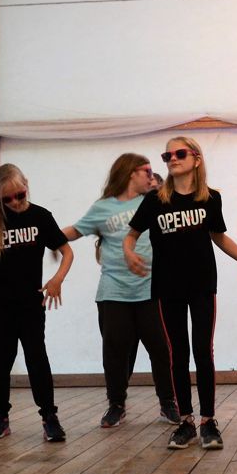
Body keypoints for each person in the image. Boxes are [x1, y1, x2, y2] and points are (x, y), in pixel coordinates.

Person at [126, 136, 237, 450]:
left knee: (203, 350)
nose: (172, 159)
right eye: (167, 155)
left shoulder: (210, 198)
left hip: (201, 285)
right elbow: (131, 235)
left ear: (196, 159)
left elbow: (218, 236)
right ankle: (185, 421)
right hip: (167, 287)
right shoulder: (155, 200)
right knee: (178, 353)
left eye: (180, 153)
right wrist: (129, 252)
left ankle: (208, 421)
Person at [63, 153, 178, 429]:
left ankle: (168, 403)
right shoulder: (102, 208)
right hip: (113, 292)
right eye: (146, 170)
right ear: (130, 173)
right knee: (115, 351)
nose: (151, 175)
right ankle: (116, 404)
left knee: (161, 349)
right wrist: (43, 235)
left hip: (151, 290)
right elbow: (75, 230)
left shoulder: (154, 201)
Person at [0, 164, 74, 442]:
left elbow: (67, 252)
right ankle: (0, 416)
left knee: (36, 358)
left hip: (30, 302)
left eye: (20, 195)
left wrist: (57, 279)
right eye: (8, 199)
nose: (15, 202)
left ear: (26, 185)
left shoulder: (40, 216)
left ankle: (49, 416)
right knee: (2, 362)